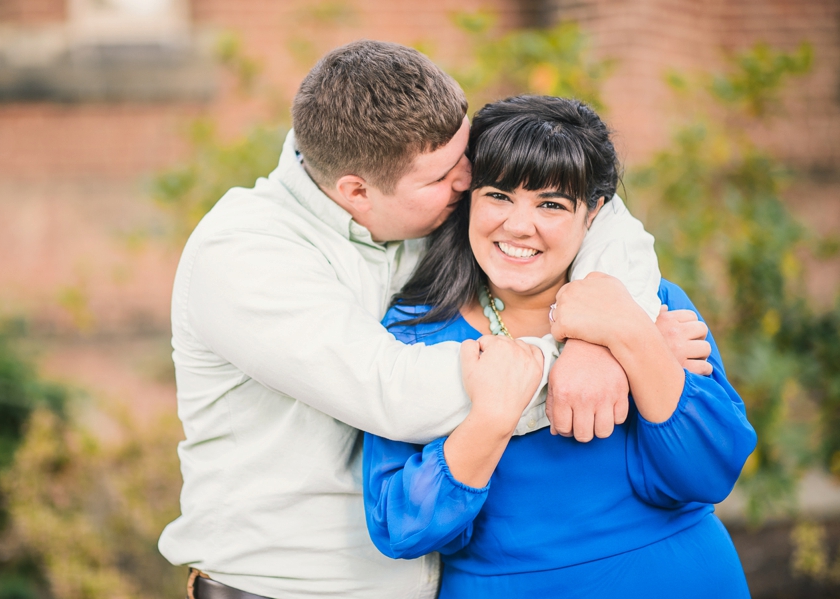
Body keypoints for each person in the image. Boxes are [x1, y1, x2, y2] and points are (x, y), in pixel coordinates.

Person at [160, 41, 669, 599]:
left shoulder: (421, 197)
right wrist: (607, 355)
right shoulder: (244, 254)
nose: (467, 181)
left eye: (464, 157)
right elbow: (394, 393)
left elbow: (606, 218)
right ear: (356, 191)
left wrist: (605, 342)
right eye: (442, 176)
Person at [362, 95, 758, 598]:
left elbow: (710, 471)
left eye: (551, 203)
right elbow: (401, 527)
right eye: (498, 195)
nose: (519, 225)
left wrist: (633, 341)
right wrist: (491, 417)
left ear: (592, 213)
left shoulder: (653, 305)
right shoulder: (416, 332)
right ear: (469, 197)